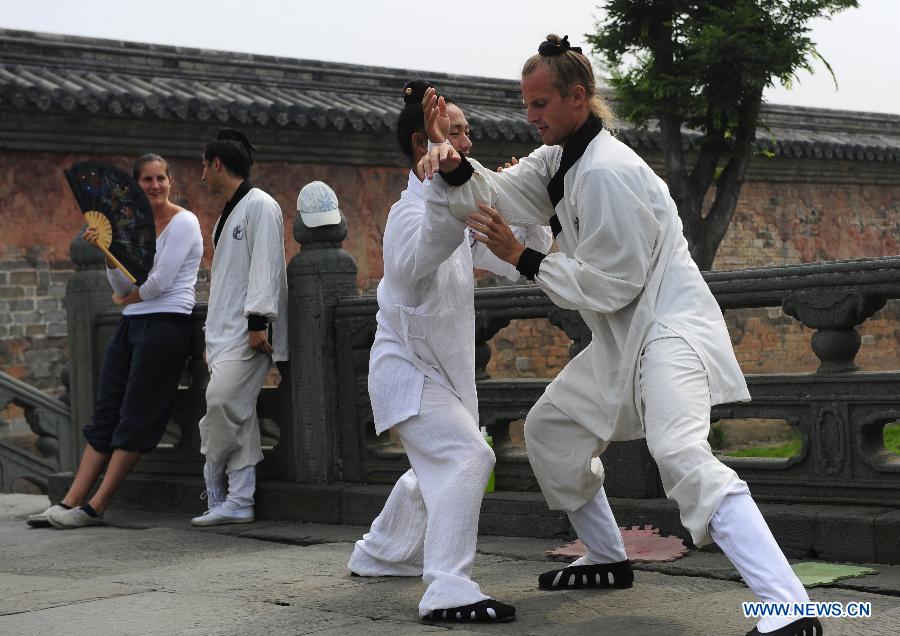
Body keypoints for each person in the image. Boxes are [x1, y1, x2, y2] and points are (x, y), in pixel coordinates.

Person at [420, 35, 820, 636]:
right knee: (551, 430)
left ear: (577, 98)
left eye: (540, 104)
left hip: (667, 330)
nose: (529, 117)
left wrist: (525, 257)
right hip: (621, 340)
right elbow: (496, 195)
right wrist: (452, 161)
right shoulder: (560, 162)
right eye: (525, 104)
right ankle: (607, 555)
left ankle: (791, 611)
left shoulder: (608, 171)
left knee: (682, 455)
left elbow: (614, 285)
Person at [347, 80, 551, 624]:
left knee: (432, 466)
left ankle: (378, 553)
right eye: (454, 131)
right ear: (425, 141)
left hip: (440, 372)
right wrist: (448, 190)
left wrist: (526, 215)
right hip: (408, 372)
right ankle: (446, 585)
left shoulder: (455, 212)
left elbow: (520, 262)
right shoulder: (406, 216)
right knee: (467, 456)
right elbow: (416, 266)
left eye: (465, 131)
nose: (468, 140)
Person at [27, 153, 203, 529]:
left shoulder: (184, 223)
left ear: (170, 181)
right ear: (135, 186)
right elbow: (123, 284)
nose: (155, 186)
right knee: (106, 411)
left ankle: (96, 507)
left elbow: (159, 285)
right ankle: (71, 500)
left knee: (137, 414)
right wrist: (108, 254)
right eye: (146, 180)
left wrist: (126, 298)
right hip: (131, 325)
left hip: (168, 324)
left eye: (161, 178)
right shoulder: (131, 225)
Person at [191, 129, 288, 527]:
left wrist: (258, 321)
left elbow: (266, 264)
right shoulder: (227, 213)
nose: (201, 176)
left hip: (251, 332)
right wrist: (211, 335)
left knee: (222, 401)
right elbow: (226, 281)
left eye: (203, 166)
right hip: (223, 332)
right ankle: (239, 499)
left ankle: (212, 476)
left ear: (216, 164)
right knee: (240, 412)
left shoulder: (260, 205)